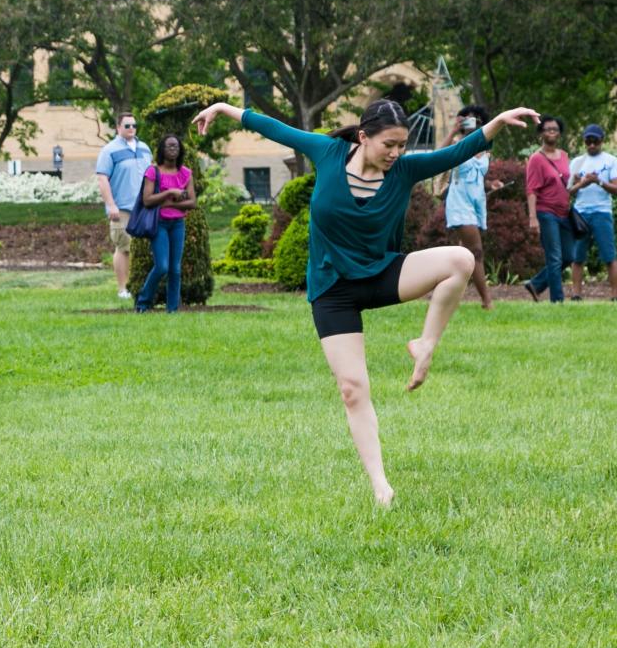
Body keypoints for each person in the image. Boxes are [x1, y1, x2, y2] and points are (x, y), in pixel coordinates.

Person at [192, 97, 539, 506]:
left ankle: (425, 343)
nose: (395, 153)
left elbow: (460, 150)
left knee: (461, 259)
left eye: (401, 145)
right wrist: (223, 108)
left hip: (380, 275)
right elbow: (272, 127)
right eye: (388, 144)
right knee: (353, 389)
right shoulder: (328, 152)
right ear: (362, 137)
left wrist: (496, 121)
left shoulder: (406, 170)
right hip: (333, 289)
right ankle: (381, 487)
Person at [443, 104, 504, 309]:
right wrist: (452, 130)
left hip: (477, 203)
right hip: (459, 202)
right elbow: (438, 157)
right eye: (467, 119)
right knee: (476, 251)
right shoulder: (457, 143)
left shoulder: (485, 147)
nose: (472, 123)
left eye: (476, 119)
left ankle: (451, 298)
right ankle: (487, 301)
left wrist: (491, 184)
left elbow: (476, 177)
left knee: (463, 255)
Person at [134, 134, 197, 313]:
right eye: (169, 146)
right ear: (162, 149)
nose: (173, 149)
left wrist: (167, 202)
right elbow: (147, 200)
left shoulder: (186, 173)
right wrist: (172, 192)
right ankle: (143, 303)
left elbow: (192, 202)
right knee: (162, 266)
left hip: (178, 224)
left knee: (175, 269)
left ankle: (172, 309)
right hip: (159, 224)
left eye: (176, 146)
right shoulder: (153, 172)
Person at [96, 112, 153, 300]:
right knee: (124, 247)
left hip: (145, 206)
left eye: (134, 126)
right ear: (118, 127)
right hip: (122, 208)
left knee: (146, 248)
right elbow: (102, 178)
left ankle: (141, 285)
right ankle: (123, 289)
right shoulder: (109, 150)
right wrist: (111, 205)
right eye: (127, 126)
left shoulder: (144, 148)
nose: (131, 129)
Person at [567, 123, 617, 301]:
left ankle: (615, 295)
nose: (591, 145)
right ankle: (576, 294)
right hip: (580, 213)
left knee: (609, 256)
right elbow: (568, 191)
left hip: (602, 213)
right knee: (577, 256)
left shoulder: (611, 161)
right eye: (588, 141)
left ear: (602, 141)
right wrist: (582, 183)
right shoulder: (576, 162)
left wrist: (598, 182)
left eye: (595, 141)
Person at [523, 115, 573, 303]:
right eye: (547, 129)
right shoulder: (536, 159)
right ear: (541, 133)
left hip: (564, 213)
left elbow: (568, 183)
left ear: (559, 133)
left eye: (555, 129)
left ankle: (536, 284)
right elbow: (531, 189)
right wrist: (533, 217)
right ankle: (557, 301)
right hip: (546, 212)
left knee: (569, 255)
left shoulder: (565, 156)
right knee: (555, 257)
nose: (552, 131)